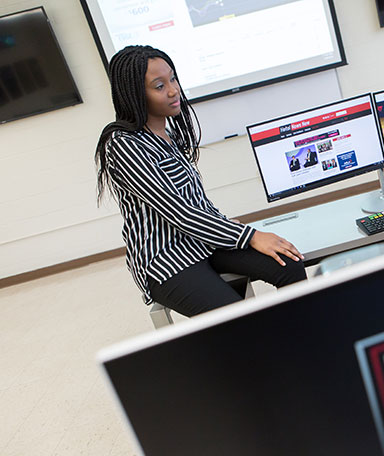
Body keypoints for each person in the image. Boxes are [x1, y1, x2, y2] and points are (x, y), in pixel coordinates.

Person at [95, 45, 306, 317]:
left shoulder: (169, 134)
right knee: (240, 319)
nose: (173, 90)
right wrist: (250, 236)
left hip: (203, 240)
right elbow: (179, 212)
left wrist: (226, 226)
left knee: (289, 265)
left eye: (173, 79)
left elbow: (194, 200)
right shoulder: (124, 145)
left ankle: (302, 334)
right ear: (135, 93)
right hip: (167, 258)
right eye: (159, 86)